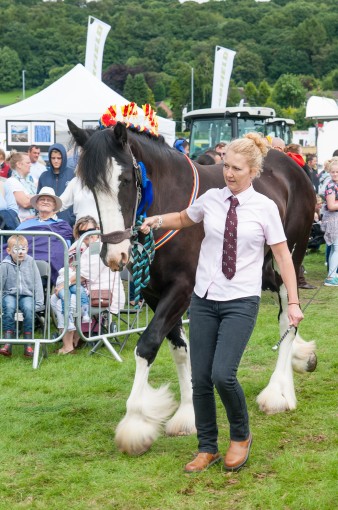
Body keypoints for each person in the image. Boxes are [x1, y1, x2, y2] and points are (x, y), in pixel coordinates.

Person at [140, 132, 304, 473]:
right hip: (203, 299)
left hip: (240, 302)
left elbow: (283, 258)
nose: (229, 173)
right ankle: (207, 447)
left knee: (222, 375)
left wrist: (293, 303)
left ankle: (241, 437)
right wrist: (156, 220)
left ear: (254, 171)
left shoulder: (266, 209)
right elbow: (186, 217)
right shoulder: (212, 198)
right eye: (226, 165)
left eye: (237, 169)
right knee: (200, 377)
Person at [51, 216, 125, 354]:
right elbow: (70, 267)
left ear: (97, 229)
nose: (87, 235)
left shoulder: (100, 247)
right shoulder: (80, 246)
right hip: (83, 289)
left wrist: (64, 284)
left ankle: (69, 345)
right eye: (81, 232)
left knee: (69, 301)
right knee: (53, 299)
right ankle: (71, 339)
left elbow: (86, 274)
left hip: (101, 294)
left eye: (90, 230)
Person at [15, 187, 73, 285]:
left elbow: (63, 248)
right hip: (20, 258)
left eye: (49, 200)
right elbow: (14, 242)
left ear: (54, 205)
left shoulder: (62, 225)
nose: (45, 202)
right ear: (37, 204)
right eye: (42, 199)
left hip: (43, 261)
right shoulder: (25, 224)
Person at [0, 234, 44, 358]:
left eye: (23, 249)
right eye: (16, 249)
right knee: (8, 308)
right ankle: (8, 343)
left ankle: (28, 344)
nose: (20, 252)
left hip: (27, 294)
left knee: (29, 309)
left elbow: (37, 282)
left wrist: (39, 301)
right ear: (9, 251)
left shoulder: (30, 262)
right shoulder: (5, 264)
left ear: (27, 249)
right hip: (10, 294)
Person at [37, 143, 75, 227]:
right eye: (53, 158)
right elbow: (38, 198)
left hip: (68, 222)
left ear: (64, 158)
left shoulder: (72, 174)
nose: (56, 161)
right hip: (47, 222)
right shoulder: (44, 176)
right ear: (50, 159)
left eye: (59, 158)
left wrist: (72, 218)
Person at [321, 157, 338, 286]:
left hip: (334, 219)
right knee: (336, 248)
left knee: (335, 248)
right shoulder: (331, 186)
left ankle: (332, 275)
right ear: (329, 172)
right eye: (333, 172)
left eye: (337, 172)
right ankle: (331, 277)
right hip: (332, 220)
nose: (335, 174)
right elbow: (331, 205)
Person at [6, 152, 37, 222]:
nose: (30, 165)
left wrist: (31, 197)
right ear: (19, 164)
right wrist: (39, 198)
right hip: (21, 224)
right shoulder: (11, 181)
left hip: (35, 221)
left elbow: (43, 195)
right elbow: (25, 203)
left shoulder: (31, 180)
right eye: (28, 163)